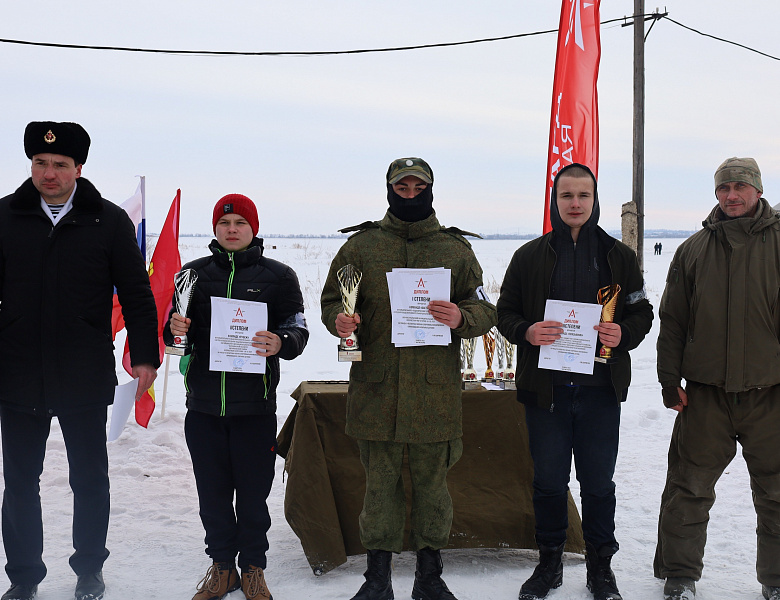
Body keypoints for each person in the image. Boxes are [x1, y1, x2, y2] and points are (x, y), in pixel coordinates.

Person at [320, 157, 496, 600]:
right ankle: (377, 579)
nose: (411, 194)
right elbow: (330, 301)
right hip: (377, 390)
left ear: (432, 190)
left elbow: (484, 309)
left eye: (419, 187)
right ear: (389, 190)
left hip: (434, 394)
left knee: (433, 490)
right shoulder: (361, 247)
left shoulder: (455, 251)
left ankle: (429, 577)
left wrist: (462, 316)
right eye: (403, 188)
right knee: (379, 487)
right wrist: (339, 320)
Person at [0, 121, 159, 600]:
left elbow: (136, 293)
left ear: (79, 168)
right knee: (20, 482)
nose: (48, 173)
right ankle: (24, 577)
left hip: (83, 373)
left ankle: (90, 568)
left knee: (89, 479)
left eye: (59, 165)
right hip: (18, 372)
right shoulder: (5, 217)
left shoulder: (108, 222)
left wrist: (145, 355)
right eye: (40, 163)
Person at [496, 163, 653, 600]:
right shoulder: (529, 256)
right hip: (545, 390)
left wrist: (624, 334)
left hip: (599, 390)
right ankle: (550, 562)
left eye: (583, 195)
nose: (575, 203)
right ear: (555, 200)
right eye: (567, 195)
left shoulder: (619, 256)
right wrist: (527, 331)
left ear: (594, 199)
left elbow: (641, 312)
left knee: (598, 483)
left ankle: (600, 567)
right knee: (548, 481)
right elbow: (503, 312)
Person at [164, 194, 308, 600]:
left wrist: (281, 341)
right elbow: (175, 338)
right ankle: (223, 568)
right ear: (215, 228)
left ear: (253, 229)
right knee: (211, 496)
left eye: (240, 223)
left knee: (252, 496)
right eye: (225, 223)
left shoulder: (279, 276)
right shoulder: (191, 275)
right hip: (205, 408)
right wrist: (175, 327)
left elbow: (297, 329)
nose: (231, 230)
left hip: (254, 408)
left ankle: (254, 568)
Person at [654, 157, 780, 600]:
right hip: (706, 397)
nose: (731, 196)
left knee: (777, 493)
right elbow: (672, 321)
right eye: (724, 188)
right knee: (688, 488)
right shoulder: (692, 250)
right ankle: (680, 576)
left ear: (758, 191)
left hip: (770, 396)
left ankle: (777, 581)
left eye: (740, 188)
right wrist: (670, 382)